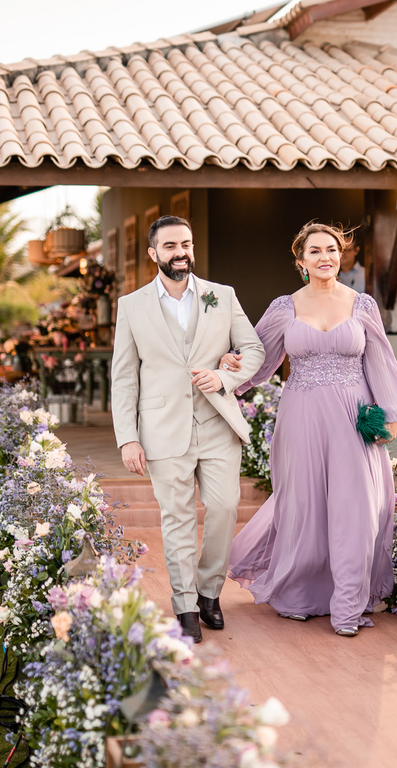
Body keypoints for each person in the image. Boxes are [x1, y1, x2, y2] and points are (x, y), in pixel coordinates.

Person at [220, 222, 397, 637]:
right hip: (302, 415)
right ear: (301, 261)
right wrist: (230, 370)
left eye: (331, 249)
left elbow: (381, 359)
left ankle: (347, 607)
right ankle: (299, 594)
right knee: (304, 505)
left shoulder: (361, 304)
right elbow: (259, 356)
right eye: (315, 251)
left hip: (352, 415)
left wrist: (392, 414)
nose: (325, 256)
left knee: (355, 508)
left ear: (341, 255)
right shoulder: (284, 307)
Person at [110, 215, 265, 644]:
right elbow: (124, 376)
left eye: (187, 244)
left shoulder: (222, 295)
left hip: (217, 423)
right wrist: (128, 436)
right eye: (172, 246)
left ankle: (209, 591)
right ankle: (185, 605)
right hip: (162, 428)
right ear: (153, 253)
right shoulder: (132, 305)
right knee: (176, 518)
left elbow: (252, 348)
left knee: (224, 508)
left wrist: (227, 379)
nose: (182, 252)